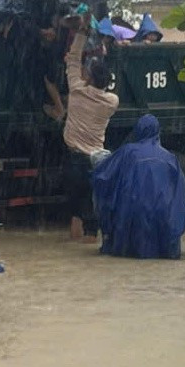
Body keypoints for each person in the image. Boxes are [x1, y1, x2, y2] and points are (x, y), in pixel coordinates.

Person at [91, 114, 185, 258]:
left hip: (131, 218)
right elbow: (180, 195)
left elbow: (104, 175)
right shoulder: (170, 158)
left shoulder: (127, 152)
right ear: (158, 131)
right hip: (162, 221)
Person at [62, 14, 120, 241]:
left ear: (88, 78)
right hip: (97, 160)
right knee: (91, 212)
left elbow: (73, 60)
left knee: (75, 212)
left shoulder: (76, 91)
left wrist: (81, 32)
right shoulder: (111, 102)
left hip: (75, 160)